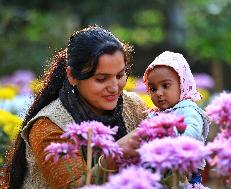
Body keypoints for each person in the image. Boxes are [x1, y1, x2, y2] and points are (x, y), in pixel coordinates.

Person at [1, 25, 148, 189]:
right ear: (72, 76)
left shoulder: (134, 106)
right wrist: (115, 155)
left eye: (120, 75)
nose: (114, 87)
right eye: (101, 79)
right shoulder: (48, 126)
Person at [143, 51, 210, 184]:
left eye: (166, 86)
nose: (159, 93)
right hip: (160, 169)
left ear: (182, 84)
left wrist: (167, 134)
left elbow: (193, 133)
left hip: (185, 173)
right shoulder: (156, 113)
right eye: (153, 88)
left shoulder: (188, 110)